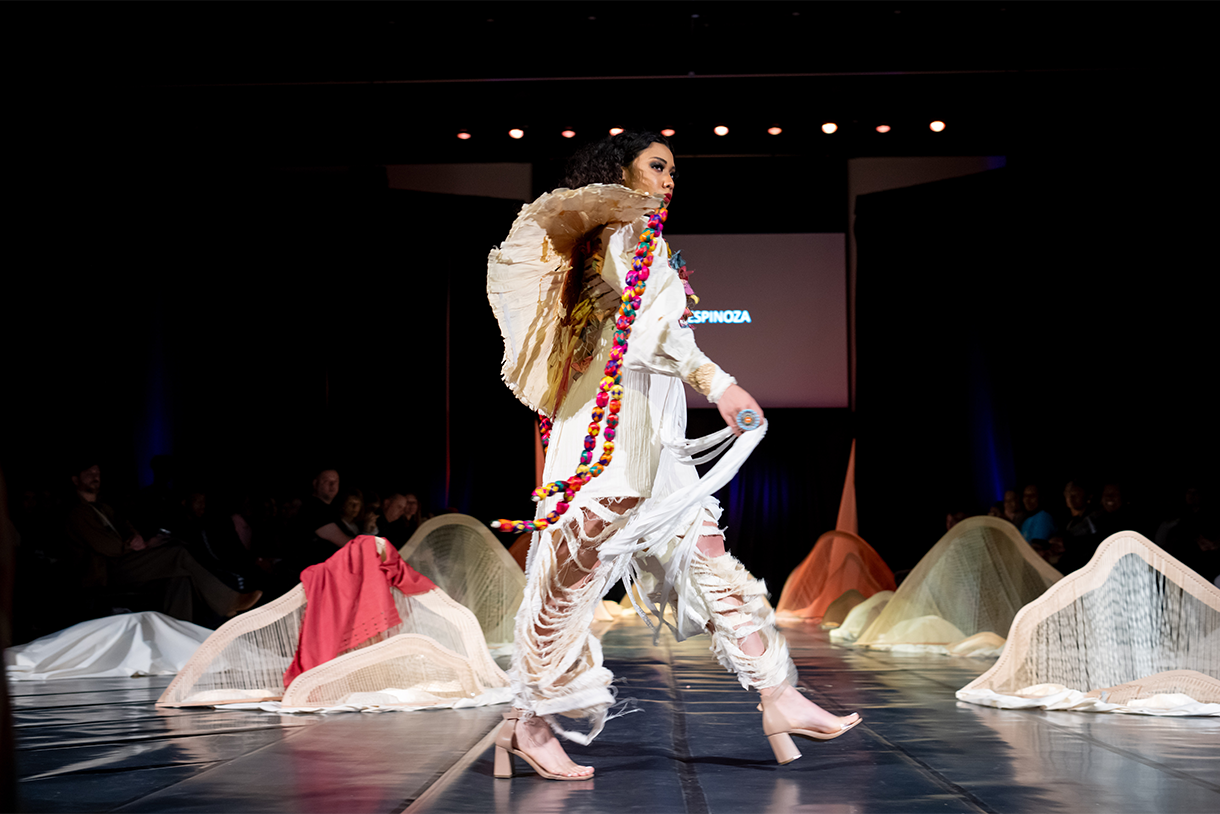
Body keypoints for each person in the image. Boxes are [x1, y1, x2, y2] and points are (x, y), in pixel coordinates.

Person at [486, 132, 860, 780]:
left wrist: (713, 386)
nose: (670, 177)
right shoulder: (611, 235)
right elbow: (645, 335)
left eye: (673, 169)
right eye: (658, 165)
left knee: (708, 552)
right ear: (619, 171)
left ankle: (779, 695)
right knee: (574, 573)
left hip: (656, 423)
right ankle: (527, 722)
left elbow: (667, 334)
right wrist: (721, 385)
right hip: (612, 424)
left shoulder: (641, 243)